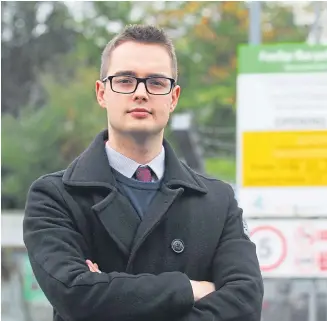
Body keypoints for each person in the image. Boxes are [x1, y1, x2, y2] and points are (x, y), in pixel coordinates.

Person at [23, 24, 264, 321]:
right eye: (125, 81)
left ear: (173, 97)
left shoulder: (217, 200)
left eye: (156, 82)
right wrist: (189, 289)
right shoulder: (55, 197)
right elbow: (76, 294)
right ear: (102, 93)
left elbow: (245, 301)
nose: (140, 93)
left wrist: (108, 291)